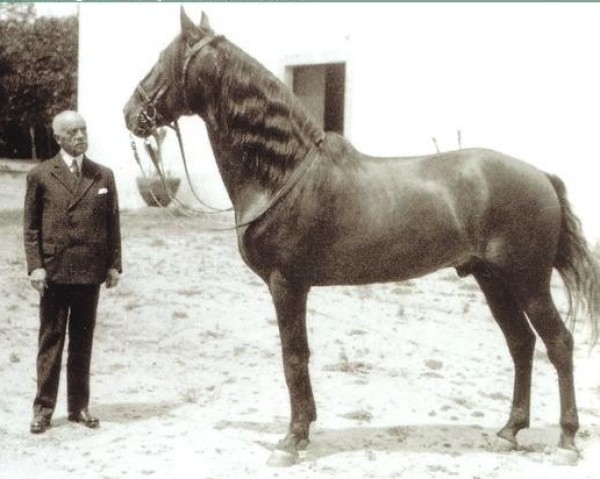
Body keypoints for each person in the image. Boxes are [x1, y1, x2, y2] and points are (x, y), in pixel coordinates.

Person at [23, 110, 122, 434]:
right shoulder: (40, 175)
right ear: (59, 138)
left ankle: (79, 406)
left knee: (82, 342)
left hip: (89, 271)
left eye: (83, 130)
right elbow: (31, 228)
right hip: (54, 271)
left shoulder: (102, 175)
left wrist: (113, 264)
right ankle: (43, 410)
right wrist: (36, 266)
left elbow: (112, 224)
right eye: (73, 131)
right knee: (51, 341)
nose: (80, 136)